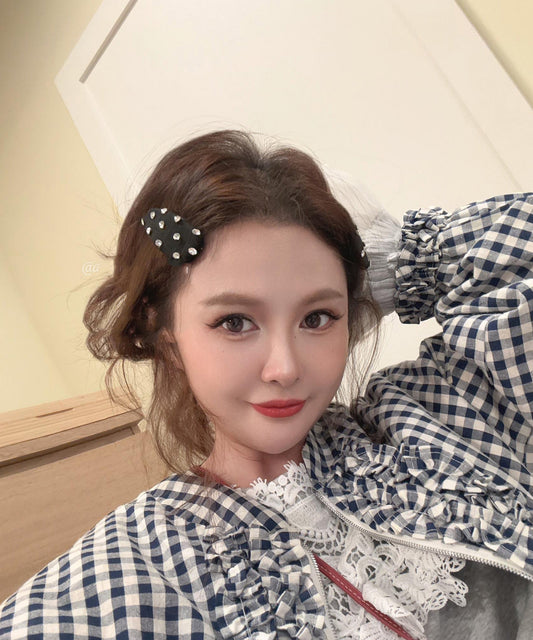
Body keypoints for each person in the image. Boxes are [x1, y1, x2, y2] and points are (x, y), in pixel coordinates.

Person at [1, 130, 532, 639]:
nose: (284, 368)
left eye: (318, 317)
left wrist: (401, 261)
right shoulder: (143, 562)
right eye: (234, 322)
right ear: (168, 340)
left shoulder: (430, 424)